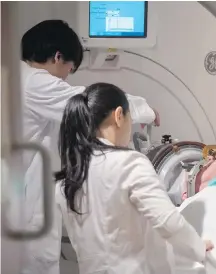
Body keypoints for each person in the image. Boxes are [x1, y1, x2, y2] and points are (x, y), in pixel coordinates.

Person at [20, 20, 159, 274]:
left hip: (23, 193)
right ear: (58, 57)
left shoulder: (18, 77)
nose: (65, 78)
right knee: (37, 262)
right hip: (25, 200)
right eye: (69, 69)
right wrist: (144, 109)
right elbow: (88, 104)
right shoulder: (35, 83)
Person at [54, 82, 213, 273]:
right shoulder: (129, 162)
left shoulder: (67, 180)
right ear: (119, 116)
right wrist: (198, 248)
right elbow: (168, 222)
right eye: (130, 119)